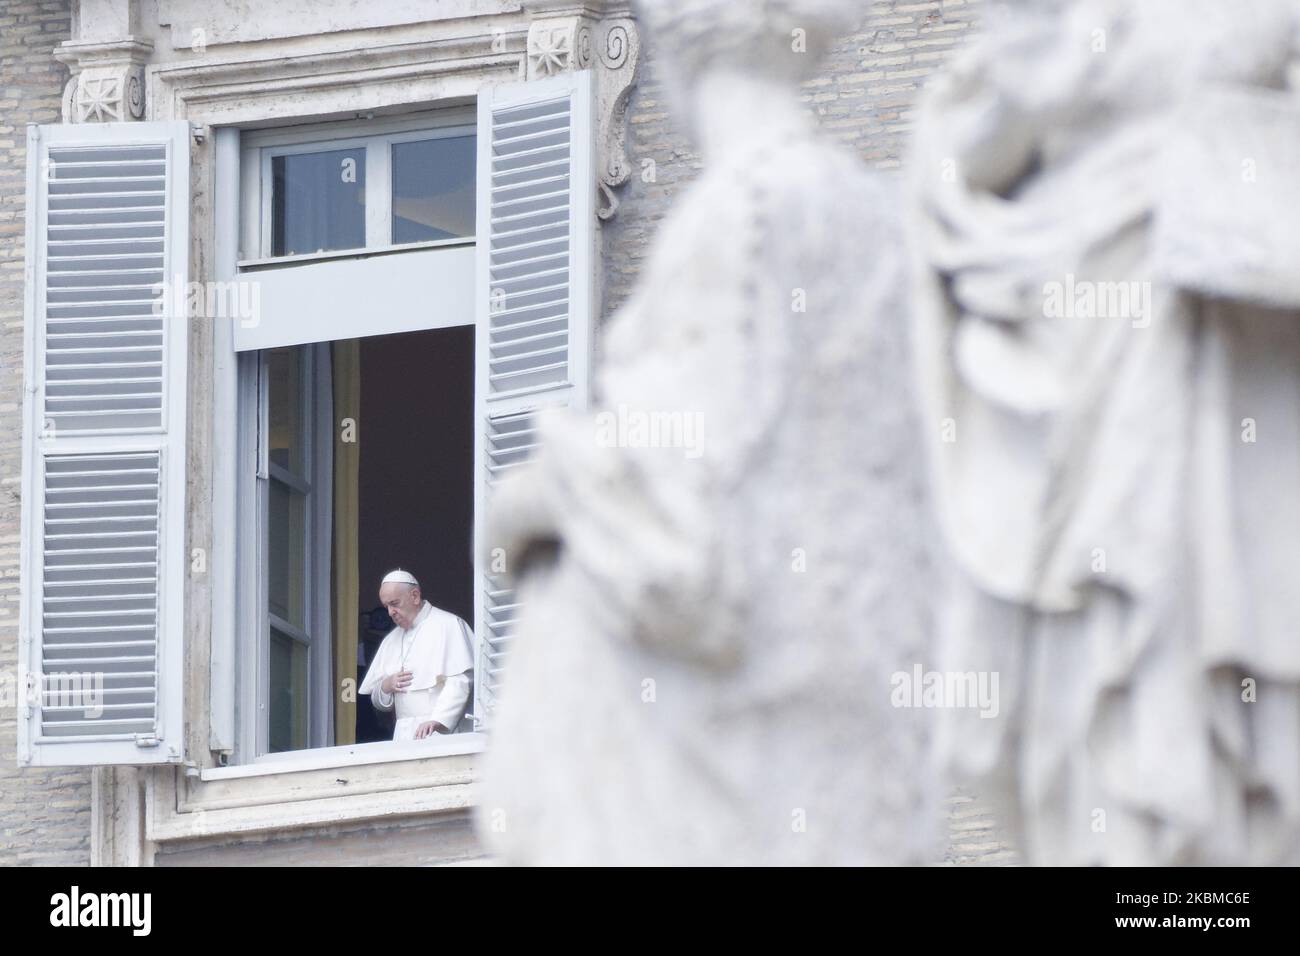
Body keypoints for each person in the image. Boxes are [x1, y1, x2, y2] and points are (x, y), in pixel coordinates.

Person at [359, 570, 475, 740]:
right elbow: (379, 701)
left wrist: (438, 720)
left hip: (442, 731)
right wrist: (386, 685)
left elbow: (461, 680)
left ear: (414, 596)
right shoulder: (390, 640)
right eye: (387, 607)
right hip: (403, 733)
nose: (390, 612)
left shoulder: (449, 625)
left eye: (395, 603)